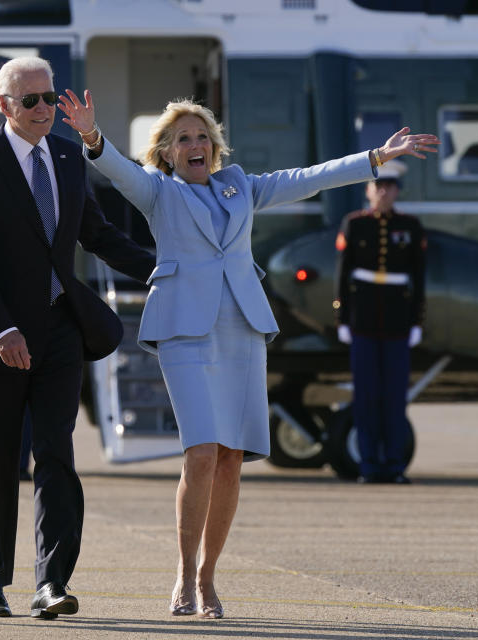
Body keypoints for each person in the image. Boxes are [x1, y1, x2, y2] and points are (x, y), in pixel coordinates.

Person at [57, 90, 438, 619]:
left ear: (215, 147)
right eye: (184, 138)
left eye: (203, 137)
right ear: (167, 152)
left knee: (232, 459)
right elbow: (119, 171)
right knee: (202, 451)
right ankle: (185, 575)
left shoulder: (239, 185)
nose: (197, 145)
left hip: (241, 326)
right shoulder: (158, 191)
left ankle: (210, 578)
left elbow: (307, 178)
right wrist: (92, 136)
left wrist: (374, 158)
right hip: (185, 331)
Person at [0, 57, 154, 620]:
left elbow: (96, 234)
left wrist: (162, 270)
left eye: (49, 98)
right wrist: (2, 329)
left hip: (61, 328)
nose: (44, 109)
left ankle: (52, 583)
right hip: (0, 337)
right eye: (31, 100)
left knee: (57, 456)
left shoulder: (67, 156)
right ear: (4, 106)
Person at [333, 160, 426, 484]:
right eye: (378, 186)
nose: (384, 192)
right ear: (368, 190)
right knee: (366, 397)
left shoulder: (410, 226)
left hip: (398, 321)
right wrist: (342, 316)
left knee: (394, 398)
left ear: (396, 192)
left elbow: (418, 278)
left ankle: (395, 467)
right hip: (363, 320)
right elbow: (343, 275)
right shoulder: (354, 224)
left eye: (390, 187)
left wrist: (417, 320)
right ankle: (370, 465)